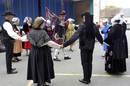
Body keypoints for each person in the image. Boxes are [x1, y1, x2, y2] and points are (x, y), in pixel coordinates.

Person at [62, 12, 103, 84]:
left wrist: (64, 44)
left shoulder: (82, 26)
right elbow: (98, 35)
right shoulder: (93, 25)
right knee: (89, 63)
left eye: (84, 18)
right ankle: (88, 78)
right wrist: (102, 42)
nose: (83, 19)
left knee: (85, 63)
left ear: (85, 18)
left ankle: (86, 79)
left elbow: (74, 37)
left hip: (84, 47)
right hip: (91, 47)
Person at [27, 17, 61, 86]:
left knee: (36, 66)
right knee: (43, 66)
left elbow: (25, 39)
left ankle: (39, 81)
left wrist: (18, 38)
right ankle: (42, 83)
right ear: (40, 24)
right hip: (43, 52)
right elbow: (49, 42)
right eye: (43, 23)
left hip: (33, 52)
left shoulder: (31, 31)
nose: (44, 24)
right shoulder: (43, 32)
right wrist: (59, 46)